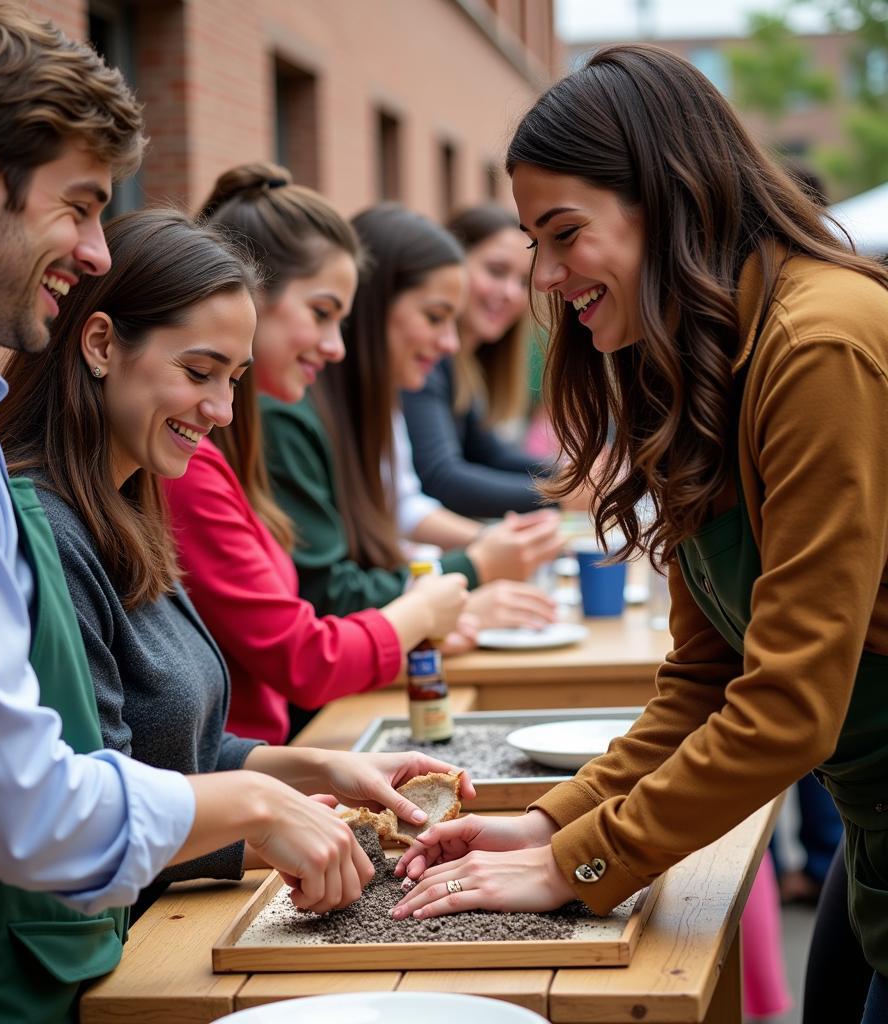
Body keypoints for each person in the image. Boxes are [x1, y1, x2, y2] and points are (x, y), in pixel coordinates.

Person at [0, 9, 452, 1021]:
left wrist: (287, 770)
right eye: (81, 206)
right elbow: (28, 806)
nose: (95, 249)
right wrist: (257, 801)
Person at [391, 44, 888, 1024]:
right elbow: (703, 685)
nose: (543, 274)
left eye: (562, 232)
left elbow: (787, 708)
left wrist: (583, 863)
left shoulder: (819, 343)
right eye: (534, 241)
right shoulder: (705, 358)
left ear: (667, 198)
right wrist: (544, 822)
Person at [0, 207, 472, 920]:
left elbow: (177, 753)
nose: (221, 408)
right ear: (99, 344)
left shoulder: (130, 505)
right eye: (199, 372)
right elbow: (85, 815)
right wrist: (263, 818)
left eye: (235, 379)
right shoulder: (45, 532)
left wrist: (326, 771)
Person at [161, 164, 471, 746]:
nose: (335, 347)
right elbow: (303, 655)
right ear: (251, 301)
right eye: (322, 314)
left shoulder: (229, 443)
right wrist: (424, 608)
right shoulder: (193, 462)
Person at [261, 202, 564, 628]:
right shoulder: (289, 413)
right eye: (436, 317)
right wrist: (472, 567)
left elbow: (400, 511)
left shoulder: (378, 400)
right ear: (375, 307)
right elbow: (328, 593)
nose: (449, 344)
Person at [401, 204, 557, 517]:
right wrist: (560, 493)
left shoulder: (466, 363)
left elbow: (487, 453)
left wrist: (570, 477)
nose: (511, 293)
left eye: (521, 281)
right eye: (496, 271)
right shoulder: (423, 360)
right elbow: (442, 477)